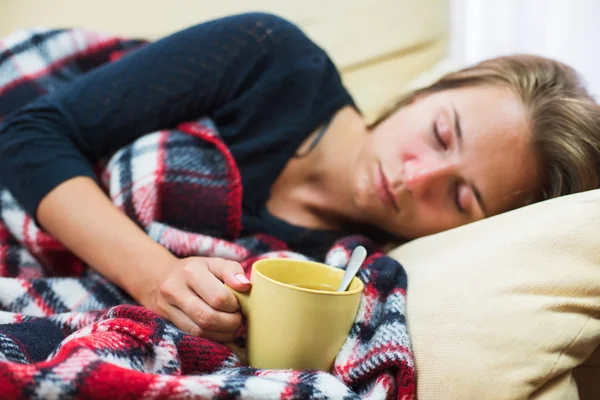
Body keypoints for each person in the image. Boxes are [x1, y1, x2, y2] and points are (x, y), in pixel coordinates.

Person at [0, 12, 598, 342]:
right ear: (424, 93)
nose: (417, 178)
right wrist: (156, 273)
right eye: (441, 133)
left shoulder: (349, 268)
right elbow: (30, 135)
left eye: (461, 197)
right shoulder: (273, 57)